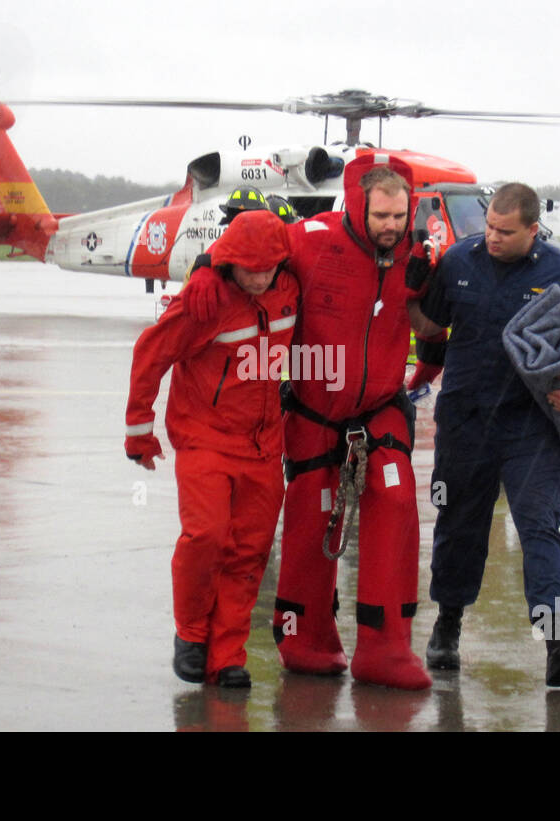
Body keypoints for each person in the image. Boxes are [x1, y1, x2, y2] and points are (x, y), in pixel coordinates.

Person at [184, 155, 433, 690]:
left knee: (394, 501)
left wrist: (432, 358)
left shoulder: (418, 253)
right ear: (361, 207)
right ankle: (304, 640)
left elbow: (456, 291)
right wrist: (208, 264)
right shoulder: (310, 239)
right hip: (314, 411)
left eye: (400, 215)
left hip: (382, 404)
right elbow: (251, 241)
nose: (392, 225)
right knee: (313, 515)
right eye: (382, 215)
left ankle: (387, 647)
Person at [407, 182, 560, 687]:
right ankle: (447, 625)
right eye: (489, 227)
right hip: (466, 421)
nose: (492, 238)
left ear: (532, 230)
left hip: (530, 427)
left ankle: (559, 639)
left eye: (505, 231)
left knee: (539, 525)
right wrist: (408, 287)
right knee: (459, 524)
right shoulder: (459, 261)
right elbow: (427, 327)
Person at [125, 210, 297, 687]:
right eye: (249, 269)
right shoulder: (206, 299)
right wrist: (139, 430)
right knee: (207, 536)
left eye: (269, 268)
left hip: (264, 444)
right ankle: (192, 633)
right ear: (229, 263)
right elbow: (150, 353)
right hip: (206, 436)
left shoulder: (289, 284)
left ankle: (228, 657)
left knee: (249, 553)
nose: (261, 278)